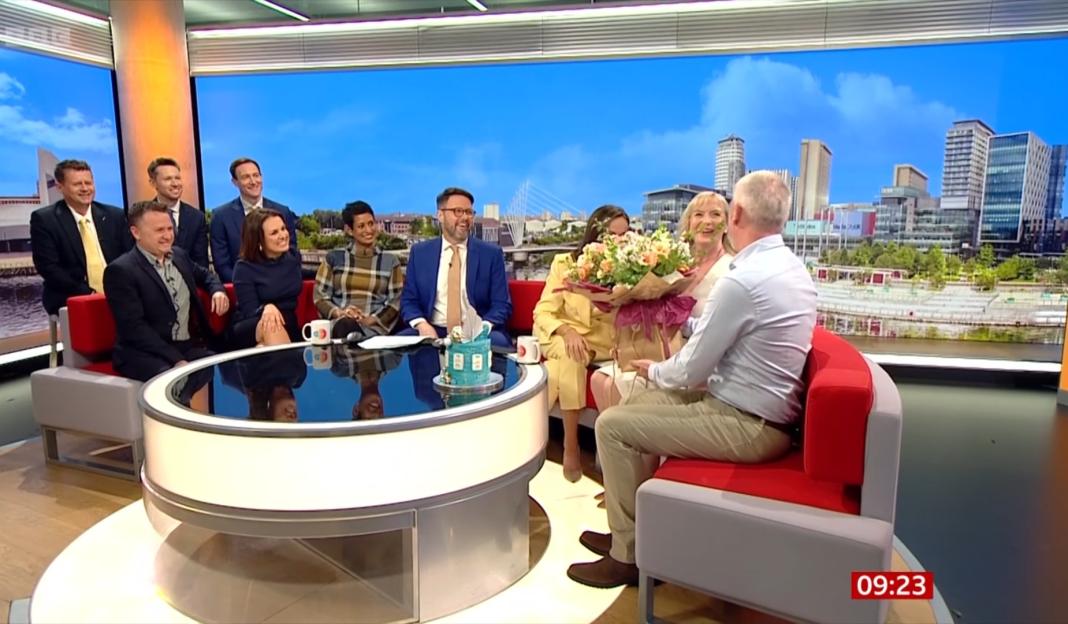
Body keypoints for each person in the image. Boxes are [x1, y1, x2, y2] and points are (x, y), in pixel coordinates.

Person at [566, 171, 817, 588]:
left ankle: (628, 557)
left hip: (748, 424)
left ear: (735, 214)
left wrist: (655, 369)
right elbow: (719, 331)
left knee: (612, 426)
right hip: (746, 410)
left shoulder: (743, 280)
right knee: (629, 407)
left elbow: (690, 371)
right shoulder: (788, 267)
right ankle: (629, 534)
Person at [589, 191, 735, 410]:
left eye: (715, 214)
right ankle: (621, 442)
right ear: (689, 222)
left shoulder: (731, 270)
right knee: (599, 379)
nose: (707, 221)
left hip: (699, 359)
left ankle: (629, 439)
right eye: (699, 215)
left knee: (612, 384)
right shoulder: (674, 263)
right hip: (662, 348)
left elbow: (721, 333)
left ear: (726, 224)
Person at [533, 205, 630, 483]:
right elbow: (543, 312)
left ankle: (530, 437)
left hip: (605, 344)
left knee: (556, 370)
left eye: (624, 236)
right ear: (595, 234)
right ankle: (571, 445)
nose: (618, 242)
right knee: (570, 354)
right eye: (611, 235)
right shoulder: (565, 264)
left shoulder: (629, 271)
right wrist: (566, 331)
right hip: (561, 334)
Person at [102, 200, 229, 411]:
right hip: (144, 352)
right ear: (136, 232)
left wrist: (217, 289)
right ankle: (176, 438)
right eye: (159, 230)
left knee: (218, 365)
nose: (167, 235)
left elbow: (206, 275)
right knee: (173, 379)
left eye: (170, 228)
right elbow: (134, 329)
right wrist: (176, 359)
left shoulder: (178, 255)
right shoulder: (121, 271)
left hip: (187, 345)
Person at [399, 187, 512, 347]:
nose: (465, 217)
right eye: (458, 211)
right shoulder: (420, 253)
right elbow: (409, 301)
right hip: (433, 330)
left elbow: (502, 304)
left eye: (469, 212)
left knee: (499, 342)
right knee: (396, 345)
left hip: (477, 332)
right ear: (440, 215)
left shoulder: (491, 254)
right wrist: (422, 325)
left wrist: (482, 328)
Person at [30, 159, 132, 315]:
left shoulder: (114, 215)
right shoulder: (45, 220)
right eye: (77, 184)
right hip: (70, 293)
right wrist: (90, 294)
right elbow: (49, 268)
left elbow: (129, 256)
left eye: (88, 183)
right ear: (60, 187)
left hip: (117, 291)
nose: (85, 189)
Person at [314, 200, 404, 340]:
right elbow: (320, 297)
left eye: (371, 224)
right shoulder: (334, 259)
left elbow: (395, 302)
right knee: (346, 326)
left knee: (355, 334)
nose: (368, 230)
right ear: (349, 230)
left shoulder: (390, 262)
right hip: (340, 324)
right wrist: (340, 313)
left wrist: (371, 319)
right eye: (361, 226)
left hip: (375, 329)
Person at [210, 157, 298, 282]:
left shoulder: (283, 212)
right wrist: (246, 286)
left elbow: (292, 254)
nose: (253, 181)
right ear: (235, 182)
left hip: (280, 286)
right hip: (241, 290)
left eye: (256, 175)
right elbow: (222, 265)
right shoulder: (220, 216)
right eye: (246, 177)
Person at [231, 209, 304, 348]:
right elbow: (249, 311)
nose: (283, 235)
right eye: (274, 233)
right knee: (271, 326)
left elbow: (300, 274)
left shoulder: (293, 257)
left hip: (288, 323)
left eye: (283, 229)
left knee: (263, 347)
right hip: (253, 323)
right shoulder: (244, 268)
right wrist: (267, 307)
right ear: (258, 240)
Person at [147, 157, 209, 269]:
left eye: (178, 178)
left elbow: (201, 263)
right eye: (168, 179)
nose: (175, 184)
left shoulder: (196, 217)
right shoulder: (144, 217)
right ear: (153, 183)